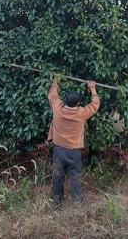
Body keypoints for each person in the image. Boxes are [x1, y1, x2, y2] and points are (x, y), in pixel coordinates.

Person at [47, 74, 100, 205]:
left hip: (59, 150)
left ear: (64, 100)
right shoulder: (82, 113)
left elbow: (52, 95)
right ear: (78, 103)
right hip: (74, 152)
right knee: (75, 177)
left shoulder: (58, 108)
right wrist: (92, 89)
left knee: (57, 176)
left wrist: (56, 80)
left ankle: (57, 202)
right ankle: (77, 203)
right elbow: (95, 104)